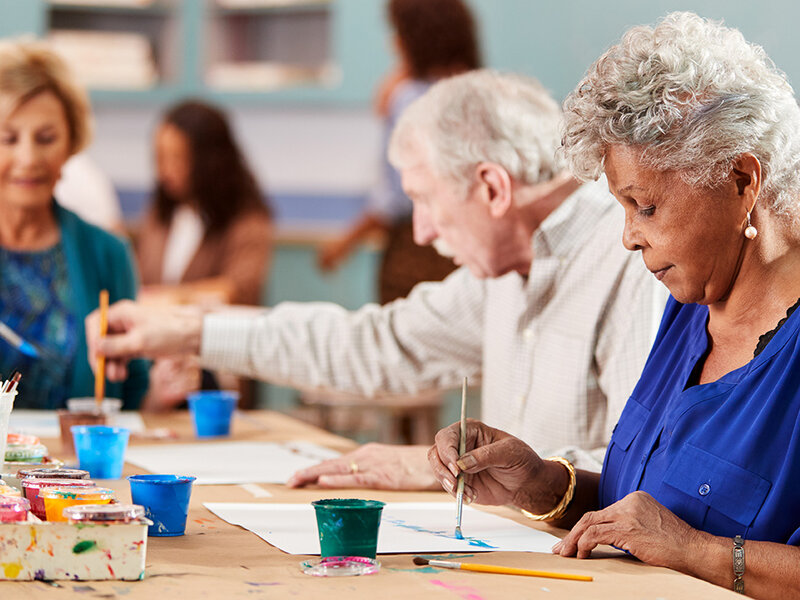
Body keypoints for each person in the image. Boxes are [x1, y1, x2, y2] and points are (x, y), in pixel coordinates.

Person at [86, 70, 662, 489]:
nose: (422, 231)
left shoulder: (632, 261)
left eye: (423, 199)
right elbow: (374, 344)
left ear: (492, 188)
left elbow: (641, 471)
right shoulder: (504, 273)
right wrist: (190, 332)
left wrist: (439, 467)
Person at [428, 13, 800, 599]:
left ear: (741, 181)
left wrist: (695, 552)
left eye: (644, 207)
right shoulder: (691, 304)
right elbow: (646, 509)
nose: (628, 237)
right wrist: (540, 483)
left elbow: (677, 536)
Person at [0, 40, 147, 409]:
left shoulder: (107, 254)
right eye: (8, 138)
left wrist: (165, 391)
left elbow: (133, 394)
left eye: (46, 138)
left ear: (70, 145)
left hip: (76, 449)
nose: (28, 158)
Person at [317, 0, 480, 303]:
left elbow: (396, 199)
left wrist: (346, 241)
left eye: (398, 32)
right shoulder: (479, 93)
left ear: (415, 39)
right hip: (470, 251)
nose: (392, 42)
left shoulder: (407, 99)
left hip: (413, 255)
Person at [134, 100, 273, 410]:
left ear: (208, 160)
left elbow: (235, 289)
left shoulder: (247, 218)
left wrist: (165, 299)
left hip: (216, 374)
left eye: (177, 158)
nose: (165, 170)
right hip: (159, 368)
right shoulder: (160, 214)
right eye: (160, 157)